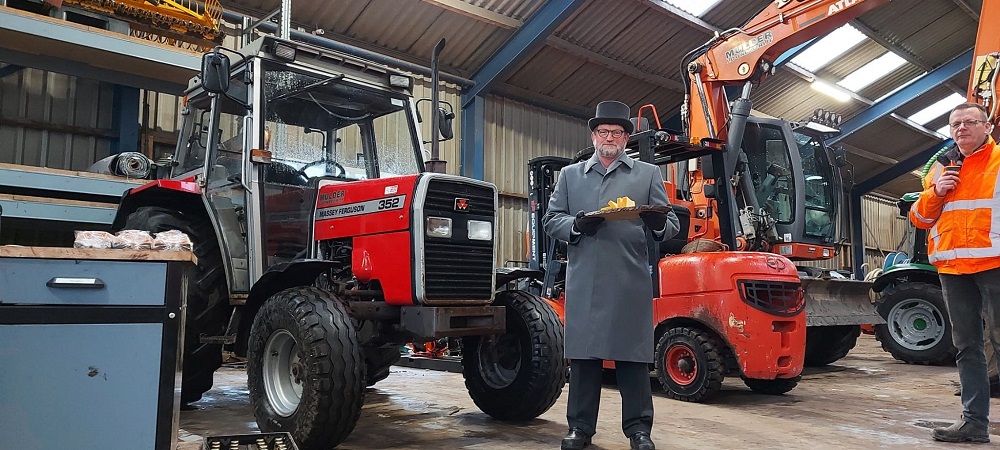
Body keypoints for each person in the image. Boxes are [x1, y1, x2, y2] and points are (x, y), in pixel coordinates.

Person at [542, 101, 680, 450]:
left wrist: (658, 221)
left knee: (632, 358)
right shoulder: (571, 176)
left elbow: (673, 224)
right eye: (603, 132)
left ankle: (639, 431)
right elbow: (550, 220)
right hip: (584, 279)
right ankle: (580, 429)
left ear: (626, 137)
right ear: (593, 135)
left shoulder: (646, 174)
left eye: (616, 132)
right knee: (585, 357)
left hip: (629, 279)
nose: (609, 138)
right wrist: (576, 225)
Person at [910, 102, 1000, 444]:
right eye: (955, 124)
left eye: (969, 122)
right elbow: (919, 218)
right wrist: (937, 191)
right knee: (967, 347)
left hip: (994, 263)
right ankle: (974, 423)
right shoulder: (940, 168)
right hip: (951, 266)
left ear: (986, 127)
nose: (961, 128)